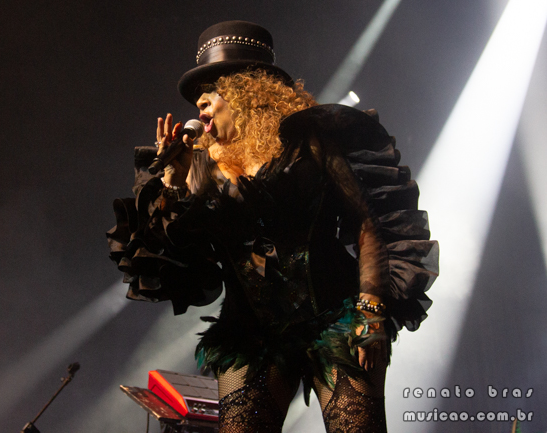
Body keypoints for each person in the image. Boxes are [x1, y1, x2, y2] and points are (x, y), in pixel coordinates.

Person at [108, 21, 438, 433]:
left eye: (211, 91)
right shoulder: (199, 169)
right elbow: (183, 263)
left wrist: (371, 308)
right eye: (197, 98)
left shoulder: (307, 143)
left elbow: (367, 221)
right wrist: (173, 186)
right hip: (251, 332)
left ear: (248, 92)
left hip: (335, 316)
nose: (200, 104)